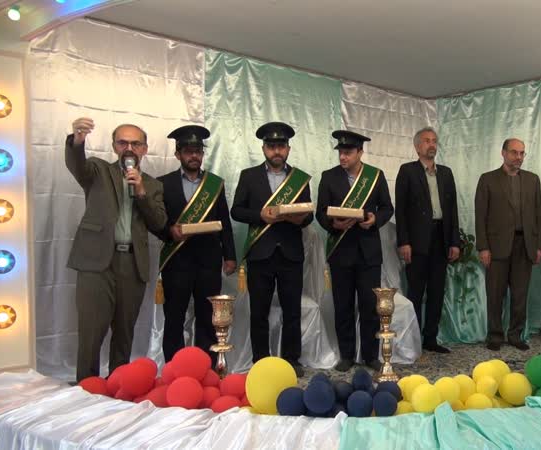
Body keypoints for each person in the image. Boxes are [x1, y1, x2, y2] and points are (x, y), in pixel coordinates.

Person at [65, 117, 166, 381]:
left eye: (135, 144)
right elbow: (77, 166)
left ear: (144, 149)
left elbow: (159, 223)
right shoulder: (98, 171)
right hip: (96, 263)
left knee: (124, 333)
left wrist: (141, 192)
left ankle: (119, 386)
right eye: (123, 143)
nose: (129, 148)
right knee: (91, 330)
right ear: (114, 147)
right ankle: (87, 387)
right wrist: (77, 141)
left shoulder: (153, 185)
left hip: (132, 264)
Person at [231, 122, 313, 376]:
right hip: (260, 253)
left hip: (290, 253)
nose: (276, 151)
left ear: (288, 149)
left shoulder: (299, 178)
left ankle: (292, 359)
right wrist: (260, 215)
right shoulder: (249, 176)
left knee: (292, 311)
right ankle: (261, 360)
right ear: (264, 149)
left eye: (281, 146)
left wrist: (300, 219)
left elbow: (309, 214)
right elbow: (236, 210)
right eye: (271, 146)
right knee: (259, 312)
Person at [156, 125, 237, 364]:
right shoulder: (163, 183)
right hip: (177, 260)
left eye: (198, 151)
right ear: (178, 154)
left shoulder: (214, 184)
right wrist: (169, 231)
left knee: (207, 318)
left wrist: (229, 256)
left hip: (208, 260)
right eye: (188, 151)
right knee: (174, 317)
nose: (194, 156)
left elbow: (225, 222)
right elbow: (156, 221)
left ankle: (206, 367)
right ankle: (174, 368)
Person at [316, 130, 394, 372]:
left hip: (368, 251)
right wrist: (333, 224)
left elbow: (387, 208)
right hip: (341, 250)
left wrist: (374, 219)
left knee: (370, 306)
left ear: (360, 152)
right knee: (343, 306)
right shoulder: (328, 177)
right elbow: (321, 212)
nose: (343, 157)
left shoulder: (375, 176)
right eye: (340, 152)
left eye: (348, 152)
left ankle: (371, 356)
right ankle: (346, 355)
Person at [395, 127, 459, 354]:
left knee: (437, 292)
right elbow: (400, 210)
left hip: (441, 238)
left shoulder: (446, 173)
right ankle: (413, 340)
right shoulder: (407, 171)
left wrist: (454, 242)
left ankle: (430, 338)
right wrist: (403, 242)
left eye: (434, 141)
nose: (431, 144)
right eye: (426, 141)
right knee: (415, 292)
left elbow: (453, 210)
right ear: (417, 146)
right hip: (416, 242)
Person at [475, 138, 541, 351]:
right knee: (495, 294)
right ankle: (495, 335)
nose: (518, 157)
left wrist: (538, 246)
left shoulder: (532, 180)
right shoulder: (488, 179)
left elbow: (539, 215)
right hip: (496, 247)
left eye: (522, 153)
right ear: (503, 153)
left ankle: (515, 335)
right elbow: (480, 216)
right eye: (514, 152)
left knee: (520, 295)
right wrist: (483, 247)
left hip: (525, 245)